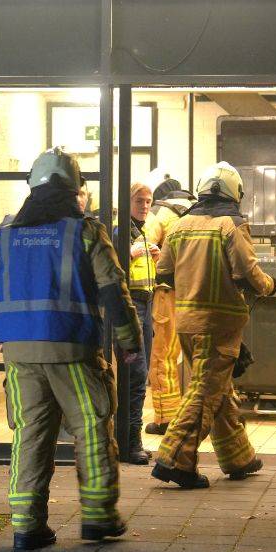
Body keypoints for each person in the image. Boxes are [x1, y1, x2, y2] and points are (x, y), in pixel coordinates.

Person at [0, 147, 143, 551]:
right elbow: (113, 292)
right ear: (75, 188)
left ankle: (26, 526)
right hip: (73, 348)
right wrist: (129, 342)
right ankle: (99, 517)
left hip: (20, 353)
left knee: (30, 435)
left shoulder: (9, 232)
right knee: (92, 428)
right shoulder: (84, 231)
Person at [151, 162, 276, 489]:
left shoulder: (178, 226)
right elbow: (248, 273)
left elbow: (163, 273)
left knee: (217, 387)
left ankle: (238, 456)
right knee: (205, 391)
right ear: (235, 193)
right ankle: (175, 457)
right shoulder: (231, 226)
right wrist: (269, 286)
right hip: (219, 325)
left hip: (186, 323)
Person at [143, 175, 195, 435]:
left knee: (162, 356)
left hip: (166, 294)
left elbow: (143, 247)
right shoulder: (194, 213)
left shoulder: (159, 215)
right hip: (194, 295)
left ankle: (165, 418)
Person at [114, 183, 158, 464]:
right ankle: (131, 443)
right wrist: (130, 254)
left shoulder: (139, 231)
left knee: (139, 376)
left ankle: (127, 441)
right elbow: (113, 269)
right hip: (132, 309)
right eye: (139, 201)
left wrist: (154, 256)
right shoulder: (121, 233)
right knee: (136, 377)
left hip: (146, 306)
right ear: (127, 202)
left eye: (148, 201)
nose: (144, 206)